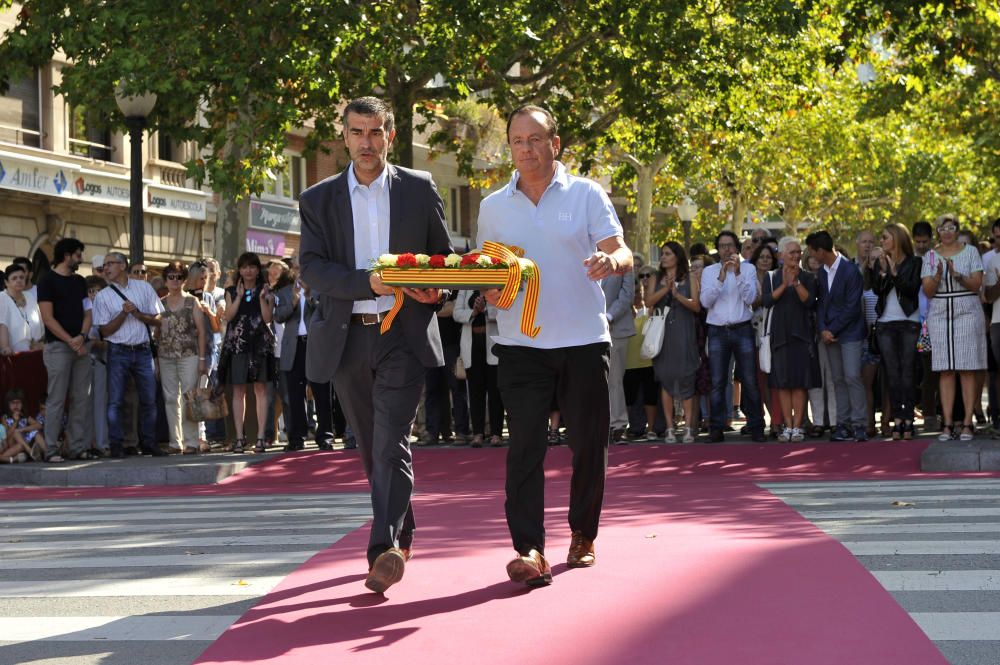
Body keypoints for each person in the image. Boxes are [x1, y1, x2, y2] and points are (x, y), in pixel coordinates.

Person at [299, 96, 453, 593]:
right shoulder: (318, 199)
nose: (367, 142)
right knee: (371, 446)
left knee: (392, 441)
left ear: (390, 135)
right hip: (346, 340)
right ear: (343, 137)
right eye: (357, 132)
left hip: (402, 335)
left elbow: (443, 258)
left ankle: (381, 547)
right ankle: (402, 529)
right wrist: (371, 283)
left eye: (375, 132)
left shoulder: (419, 188)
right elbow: (313, 270)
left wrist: (438, 287)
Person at [478, 104, 632, 587]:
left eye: (535, 139)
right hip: (521, 345)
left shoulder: (586, 193)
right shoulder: (492, 206)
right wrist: (487, 288)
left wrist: (612, 262)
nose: (526, 149)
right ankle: (530, 548)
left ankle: (583, 534)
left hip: (584, 340)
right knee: (524, 449)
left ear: (554, 144)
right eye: (518, 141)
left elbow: (621, 249)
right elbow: (488, 272)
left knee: (587, 445)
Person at [92, 252, 164, 458]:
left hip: (142, 350)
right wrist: (123, 313)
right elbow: (104, 332)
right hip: (117, 351)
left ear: (122, 265)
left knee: (149, 400)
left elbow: (159, 318)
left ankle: (149, 444)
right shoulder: (103, 296)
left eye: (110, 264)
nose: (106, 268)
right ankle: (117, 445)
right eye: (104, 265)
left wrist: (139, 315)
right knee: (115, 400)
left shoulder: (144, 287)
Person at [922, 214, 986, 441]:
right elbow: (928, 291)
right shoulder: (930, 255)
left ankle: (968, 422)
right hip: (940, 310)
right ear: (937, 231)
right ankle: (947, 423)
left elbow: (977, 283)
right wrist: (937, 275)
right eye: (942, 228)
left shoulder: (970, 252)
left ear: (957, 230)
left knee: (967, 367)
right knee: (945, 368)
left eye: (951, 227)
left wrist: (958, 275)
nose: (947, 231)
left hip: (967, 307)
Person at [699, 230, 765, 442]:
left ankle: (756, 426)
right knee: (718, 381)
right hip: (718, 330)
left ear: (736, 247)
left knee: (750, 380)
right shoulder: (709, 271)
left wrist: (736, 274)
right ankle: (717, 427)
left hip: (742, 328)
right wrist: (721, 277)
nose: (726, 249)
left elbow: (750, 298)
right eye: (722, 246)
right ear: (717, 250)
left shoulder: (748, 268)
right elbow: (705, 302)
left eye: (730, 245)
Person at [806, 230, 867, 442]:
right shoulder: (822, 272)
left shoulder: (851, 271)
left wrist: (833, 329)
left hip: (849, 333)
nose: (811, 256)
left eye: (812, 252)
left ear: (821, 251)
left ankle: (860, 423)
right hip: (829, 333)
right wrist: (823, 328)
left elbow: (853, 307)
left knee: (852, 376)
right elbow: (821, 302)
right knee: (838, 379)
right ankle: (843, 423)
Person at [36, 237, 93, 462]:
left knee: (81, 398)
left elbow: (88, 313)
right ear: (67, 255)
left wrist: (82, 337)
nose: (80, 259)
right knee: (57, 399)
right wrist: (72, 341)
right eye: (78, 255)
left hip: (80, 345)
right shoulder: (47, 281)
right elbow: (47, 319)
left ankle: (76, 447)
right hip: (58, 347)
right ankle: (50, 449)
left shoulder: (80, 281)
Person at [761, 238, 819, 442]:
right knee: (783, 384)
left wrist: (795, 283)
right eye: (791, 252)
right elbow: (767, 301)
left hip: (801, 335)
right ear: (782, 255)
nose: (795, 255)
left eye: (798, 252)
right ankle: (787, 425)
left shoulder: (808, 277)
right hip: (779, 335)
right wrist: (785, 284)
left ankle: (798, 426)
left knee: (800, 383)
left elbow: (810, 302)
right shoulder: (771, 276)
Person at [868, 223, 923, 440]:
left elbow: (911, 289)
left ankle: (908, 419)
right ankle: (897, 419)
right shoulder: (881, 262)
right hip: (885, 324)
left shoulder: (915, 262)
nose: (881, 241)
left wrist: (894, 272)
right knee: (892, 374)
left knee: (908, 372)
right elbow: (876, 290)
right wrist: (882, 273)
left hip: (909, 321)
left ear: (897, 239)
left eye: (885, 237)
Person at [220, 252, 277, 454]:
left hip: (260, 344)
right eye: (244, 267)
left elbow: (268, 318)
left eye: (252, 266)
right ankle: (239, 437)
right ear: (240, 270)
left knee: (261, 390)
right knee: (238, 391)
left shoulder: (266, 289)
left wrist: (263, 298)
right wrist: (239, 297)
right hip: (238, 345)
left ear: (257, 269)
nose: (248, 270)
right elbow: (229, 315)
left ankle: (261, 437)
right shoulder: (231, 291)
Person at [645, 241, 700, 443]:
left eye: (668, 253)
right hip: (663, 333)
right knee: (665, 378)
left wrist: (678, 296)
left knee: (687, 376)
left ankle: (687, 428)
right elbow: (648, 302)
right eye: (662, 254)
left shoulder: (690, 278)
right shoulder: (655, 278)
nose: (664, 257)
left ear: (677, 256)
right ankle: (669, 427)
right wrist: (665, 290)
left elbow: (696, 306)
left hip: (684, 331)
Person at [274, 275, 335, 451]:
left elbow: (325, 313)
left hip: (315, 344)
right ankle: (296, 437)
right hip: (294, 347)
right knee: (294, 395)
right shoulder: (284, 292)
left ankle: (325, 436)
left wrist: (308, 296)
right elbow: (278, 317)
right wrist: (294, 300)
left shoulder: (320, 289)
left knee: (321, 392)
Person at [157, 260, 208, 454]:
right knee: (170, 398)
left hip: (190, 354)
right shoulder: (160, 303)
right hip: (166, 355)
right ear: (165, 280)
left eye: (179, 277)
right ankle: (174, 442)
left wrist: (203, 359)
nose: (175, 281)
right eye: (171, 277)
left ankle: (192, 442)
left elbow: (202, 332)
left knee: (189, 396)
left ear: (184, 280)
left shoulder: (192, 301)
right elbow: (156, 334)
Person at [454, 290, 505, 447]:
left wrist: (486, 310)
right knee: (475, 392)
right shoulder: (465, 288)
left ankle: (496, 433)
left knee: (495, 391)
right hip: (472, 346)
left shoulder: (495, 287)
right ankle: (478, 434)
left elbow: (504, 312)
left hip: (492, 345)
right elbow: (456, 314)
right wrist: (475, 311)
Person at [749, 243, 784, 436]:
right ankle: (762, 421)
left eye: (768, 257)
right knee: (759, 381)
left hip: (774, 332)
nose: (764, 260)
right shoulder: (748, 278)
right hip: (753, 334)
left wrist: (766, 297)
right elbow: (749, 303)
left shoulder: (778, 277)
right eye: (761, 257)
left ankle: (777, 422)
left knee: (775, 380)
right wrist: (765, 297)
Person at [602, 262, 636, 443]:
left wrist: (608, 316)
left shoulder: (624, 261)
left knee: (614, 379)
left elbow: (627, 295)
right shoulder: (584, 255)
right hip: (587, 330)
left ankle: (618, 425)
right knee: (591, 381)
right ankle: (598, 424)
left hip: (616, 327)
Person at [0, 263, 44, 354]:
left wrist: (40, 343)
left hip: (36, 350)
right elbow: (2, 325)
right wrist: (5, 347)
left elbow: (39, 322)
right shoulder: (2, 298)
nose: (19, 280)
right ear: (6, 282)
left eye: (21, 277)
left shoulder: (30, 296)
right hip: (13, 354)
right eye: (14, 278)